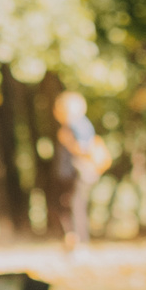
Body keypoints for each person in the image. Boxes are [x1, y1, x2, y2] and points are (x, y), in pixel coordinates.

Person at [50, 90, 107, 256]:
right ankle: (74, 243)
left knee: (76, 207)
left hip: (79, 173)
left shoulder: (77, 124)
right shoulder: (74, 124)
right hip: (73, 174)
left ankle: (80, 245)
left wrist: (67, 142)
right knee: (70, 206)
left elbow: (84, 149)